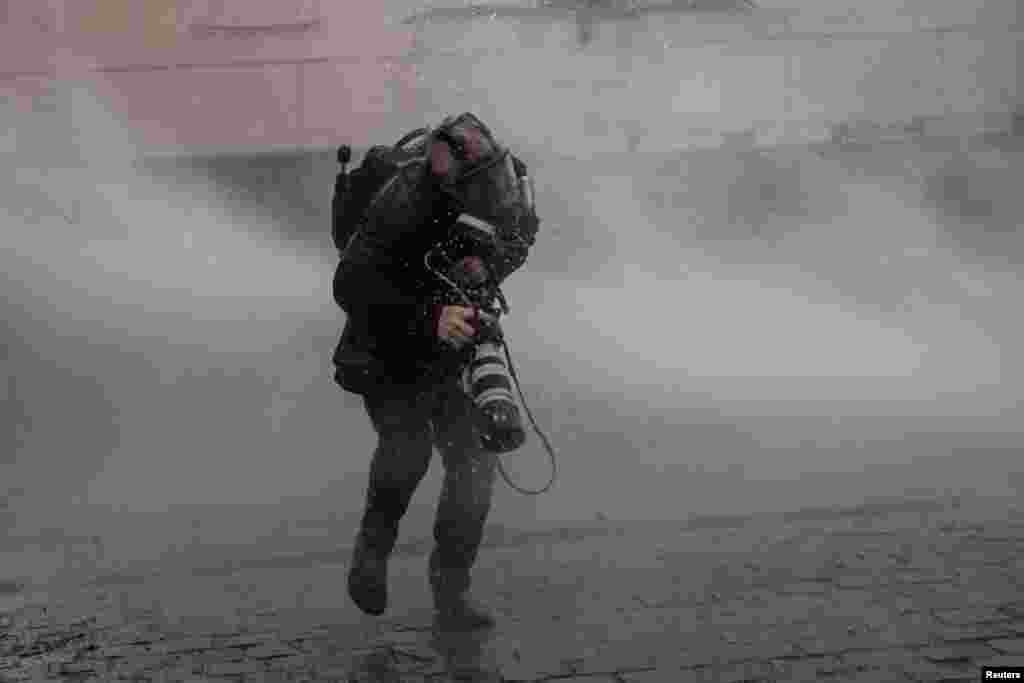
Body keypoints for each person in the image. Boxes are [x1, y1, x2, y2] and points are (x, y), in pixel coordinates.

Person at [332, 113, 539, 629]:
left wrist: (482, 279)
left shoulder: (505, 189)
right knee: (408, 448)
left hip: (451, 343)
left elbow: (517, 242)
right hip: (385, 343)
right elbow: (350, 284)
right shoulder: (405, 199)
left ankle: (451, 591)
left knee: (475, 461)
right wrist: (430, 315)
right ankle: (370, 557)